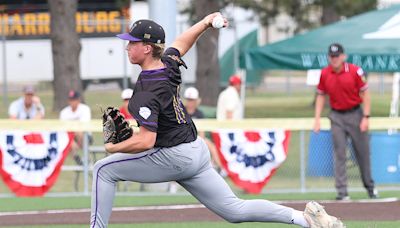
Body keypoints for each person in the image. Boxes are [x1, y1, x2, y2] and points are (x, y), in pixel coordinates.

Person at [90, 13, 343, 228]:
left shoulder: (146, 89)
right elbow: (181, 43)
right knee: (235, 210)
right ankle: (307, 219)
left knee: (103, 168)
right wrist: (207, 21)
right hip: (195, 151)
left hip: (173, 156)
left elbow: (146, 140)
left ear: (147, 48)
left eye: (132, 43)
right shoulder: (167, 64)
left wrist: (113, 147)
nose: (127, 47)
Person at [313, 43, 377, 200]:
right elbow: (321, 95)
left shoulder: (355, 71)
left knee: (362, 153)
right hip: (336, 116)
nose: (334, 59)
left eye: (337, 56)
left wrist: (366, 117)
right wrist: (317, 119)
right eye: (331, 56)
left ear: (343, 56)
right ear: (329, 57)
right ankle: (342, 191)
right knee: (339, 153)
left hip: (355, 113)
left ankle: (370, 187)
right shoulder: (325, 73)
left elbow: (365, 94)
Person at [183, 87, 222, 170]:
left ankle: (220, 167)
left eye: (192, 100)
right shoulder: (182, 112)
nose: (190, 102)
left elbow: (202, 132)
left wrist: (200, 141)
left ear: (196, 101)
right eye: (188, 99)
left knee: (211, 145)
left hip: (197, 138)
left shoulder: (199, 114)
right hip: (183, 138)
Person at [59, 90, 92, 168]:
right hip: (71, 138)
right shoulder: (64, 112)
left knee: (78, 131)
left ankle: (86, 156)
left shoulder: (85, 109)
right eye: (71, 100)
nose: (72, 102)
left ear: (78, 100)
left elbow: (83, 126)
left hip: (85, 136)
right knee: (68, 140)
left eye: (74, 99)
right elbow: (62, 128)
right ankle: (78, 158)